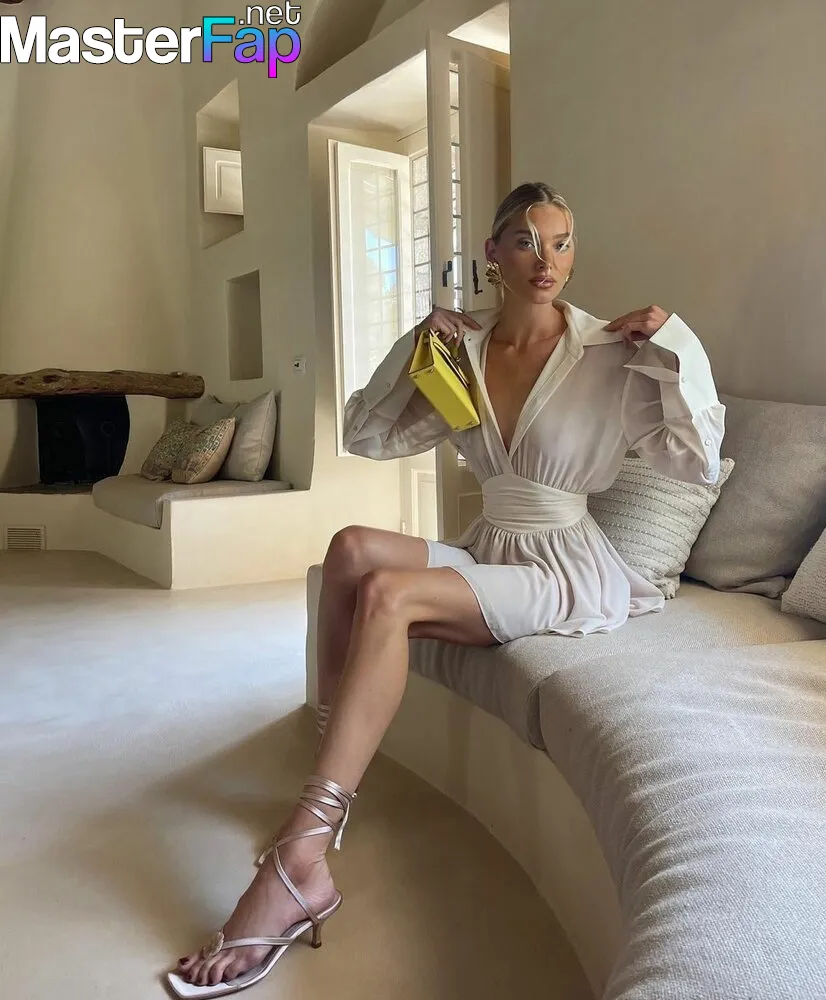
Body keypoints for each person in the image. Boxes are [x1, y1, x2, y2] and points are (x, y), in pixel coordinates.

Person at [168, 181, 725, 996]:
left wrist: (674, 341)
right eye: (526, 242)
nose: (547, 261)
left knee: (390, 594)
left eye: (562, 242)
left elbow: (695, 461)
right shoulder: (463, 351)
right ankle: (330, 755)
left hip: (562, 570)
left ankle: (303, 852)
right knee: (352, 549)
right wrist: (417, 345)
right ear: (492, 254)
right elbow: (369, 433)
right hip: (488, 547)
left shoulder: (608, 353)